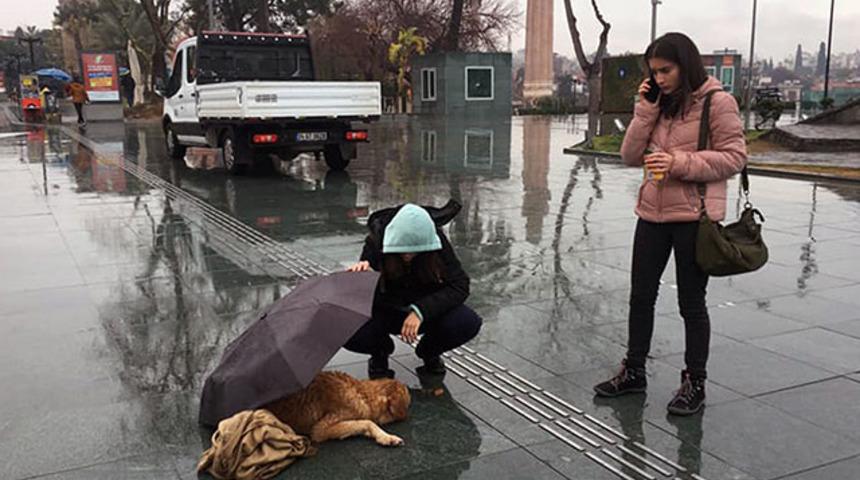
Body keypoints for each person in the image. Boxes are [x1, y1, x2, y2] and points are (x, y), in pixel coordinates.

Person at [593, 32, 747, 415]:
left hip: (694, 217)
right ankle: (634, 371)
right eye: (654, 72)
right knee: (640, 296)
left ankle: (694, 381)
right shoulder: (657, 104)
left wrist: (678, 163)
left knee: (691, 303)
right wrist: (644, 110)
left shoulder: (717, 102)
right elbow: (629, 155)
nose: (659, 79)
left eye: (666, 70)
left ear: (686, 64)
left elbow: (734, 157)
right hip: (652, 213)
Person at [344, 201, 482, 379]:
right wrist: (367, 277)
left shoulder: (434, 239)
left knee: (467, 321)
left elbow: (460, 285)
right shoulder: (377, 239)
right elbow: (361, 297)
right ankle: (379, 352)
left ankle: (429, 351)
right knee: (346, 328)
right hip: (386, 310)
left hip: (426, 311)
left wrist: (421, 310)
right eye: (402, 251)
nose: (408, 256)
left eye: (415, 251)